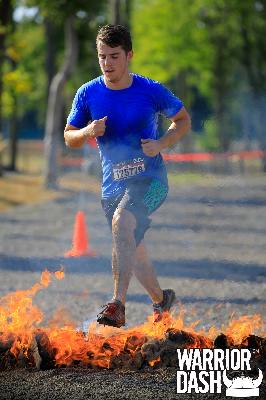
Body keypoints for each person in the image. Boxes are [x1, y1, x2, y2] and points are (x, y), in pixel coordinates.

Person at [64, 24, 191, 328]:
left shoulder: (149, 90)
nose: (107, 64)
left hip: (152, 182)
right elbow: (69, 137)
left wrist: (161, 144)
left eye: (114, 56)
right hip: (112, 188)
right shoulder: (88, 93)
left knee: (123, 223)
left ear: (129, 55)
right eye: (102, 57)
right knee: (132, 250)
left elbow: (182, 120)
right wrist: (87, 131)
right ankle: (162, 301)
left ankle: (117, 304)